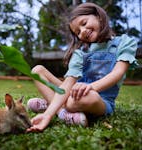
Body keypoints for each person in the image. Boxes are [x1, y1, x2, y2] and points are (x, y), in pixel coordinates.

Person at [26, 2, 138, 132]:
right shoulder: (81, 52)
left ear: (98, 15)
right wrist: (47, 115)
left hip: (99, 100)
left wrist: (89, 87)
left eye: (84, 23)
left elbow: (117, 73)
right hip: (73, 92)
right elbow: (69, 82)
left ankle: (52, 101)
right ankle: (61, 112)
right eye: (77, 32)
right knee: (37, 70)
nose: (83, 31)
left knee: (78, 99)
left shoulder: (125, 43)